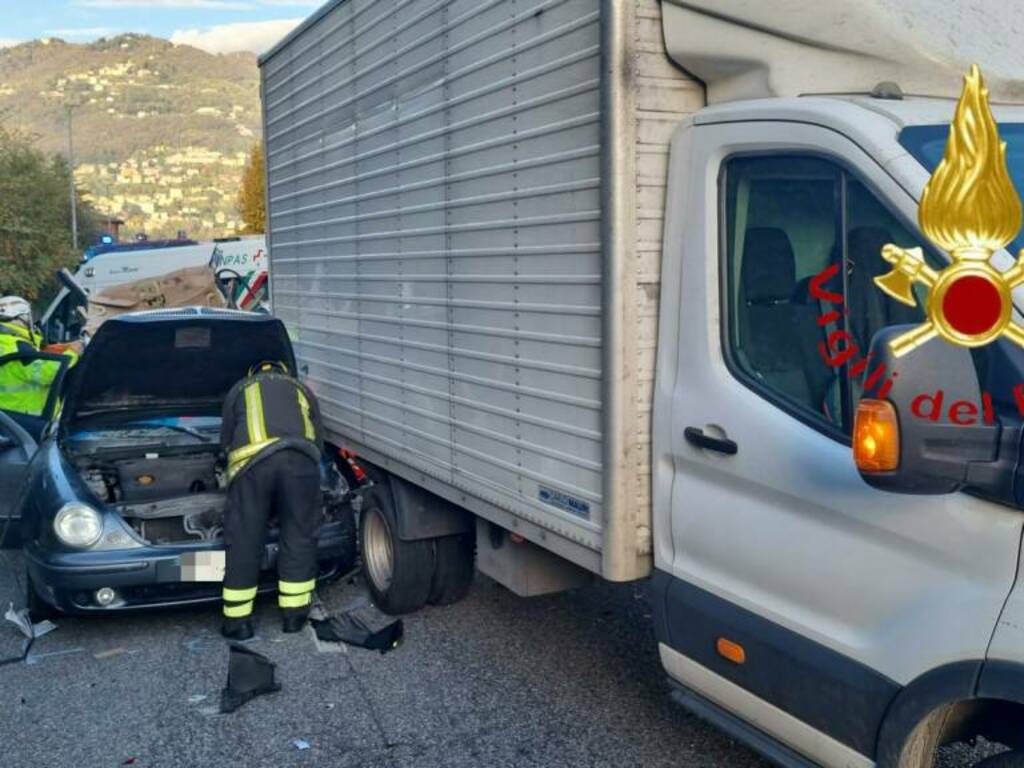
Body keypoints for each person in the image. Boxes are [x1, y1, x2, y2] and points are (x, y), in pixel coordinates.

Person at [219, 360, 325, 640]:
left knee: (245, 538)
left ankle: (238, 622)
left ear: (252, 373)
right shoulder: (301, 388)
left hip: (253, 466)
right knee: (300, 535)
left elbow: (226, 439)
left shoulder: (239, 388)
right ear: (283, 372)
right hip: (301, 464)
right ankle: (294, 617)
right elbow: (319, 436)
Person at [0, 295, 79, 417]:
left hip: (7, 418)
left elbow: (26, 363)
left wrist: (57, 349)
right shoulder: (17, 346)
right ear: (21, 318)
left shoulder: (6, 342)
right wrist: (73, 353)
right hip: (24, 421)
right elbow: (46, 374)